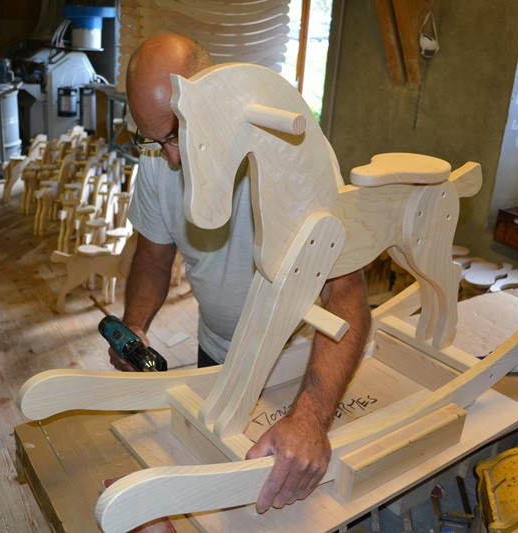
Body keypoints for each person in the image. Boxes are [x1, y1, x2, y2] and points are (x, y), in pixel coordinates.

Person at [112, 33, 371, 514]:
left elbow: (347, 293)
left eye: (176, 135)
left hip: (305, 366)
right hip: (219, 353)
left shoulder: (292, 154)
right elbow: (153, 256)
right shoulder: (155, 160)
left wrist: (312, 416)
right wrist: (136, 325)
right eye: (152, 139)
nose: (169, 156)